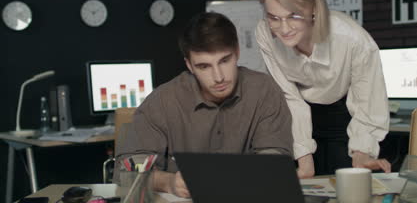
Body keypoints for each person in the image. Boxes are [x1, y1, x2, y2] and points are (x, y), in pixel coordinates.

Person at [117, 12, 293, 198]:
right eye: (204, 66)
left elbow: (276, 160)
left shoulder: (264, 90)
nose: (219, 77)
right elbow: (126, 172)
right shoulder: (161, 101)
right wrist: (168, 182)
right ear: (189, 65)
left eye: (225, 61)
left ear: (237, 52)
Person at [255, 0, 391, 178]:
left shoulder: (353, 40)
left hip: (343, 115)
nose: (284, 29)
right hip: (296, 118)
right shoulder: (265, 34)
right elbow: (289, 98)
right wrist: (304, 159)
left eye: (294, 16)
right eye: (274, 18)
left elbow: (367, 102)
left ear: (315, 7)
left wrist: (362, 152)